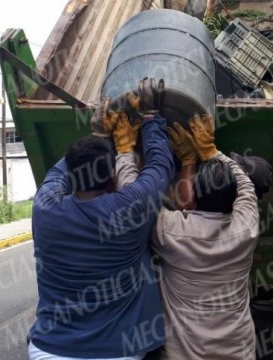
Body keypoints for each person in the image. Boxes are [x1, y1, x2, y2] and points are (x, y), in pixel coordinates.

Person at [28, 79, 174, 360]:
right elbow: (159, 167)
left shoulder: (44, 208)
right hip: (118, 352)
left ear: (70, 181)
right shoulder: (129, 208)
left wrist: (97, 135)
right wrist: (151, 117)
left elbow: (60, 172)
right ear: (111, 180)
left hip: (49, 350)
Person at [115, 113, 260, 359]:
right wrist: (210, 150)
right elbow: (245, 184)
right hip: (239, 352)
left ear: (195, 195)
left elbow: (133, 202)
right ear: (233, 200)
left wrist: (124, 150)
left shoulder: (171, 231)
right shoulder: (246, 229)